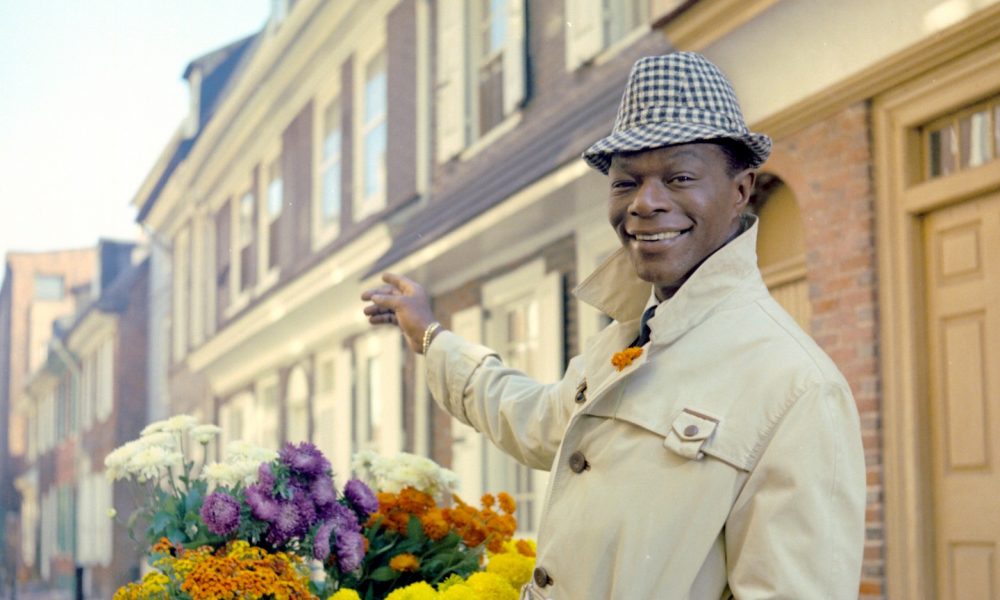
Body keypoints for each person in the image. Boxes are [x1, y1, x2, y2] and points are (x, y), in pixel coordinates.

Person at [362, 52, 865, 599]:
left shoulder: (798, 389)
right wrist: (431, 338)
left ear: (740, 190)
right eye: (626, 183)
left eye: (680, 177)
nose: (646, 203)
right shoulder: (622, 342)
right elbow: (533, 420)